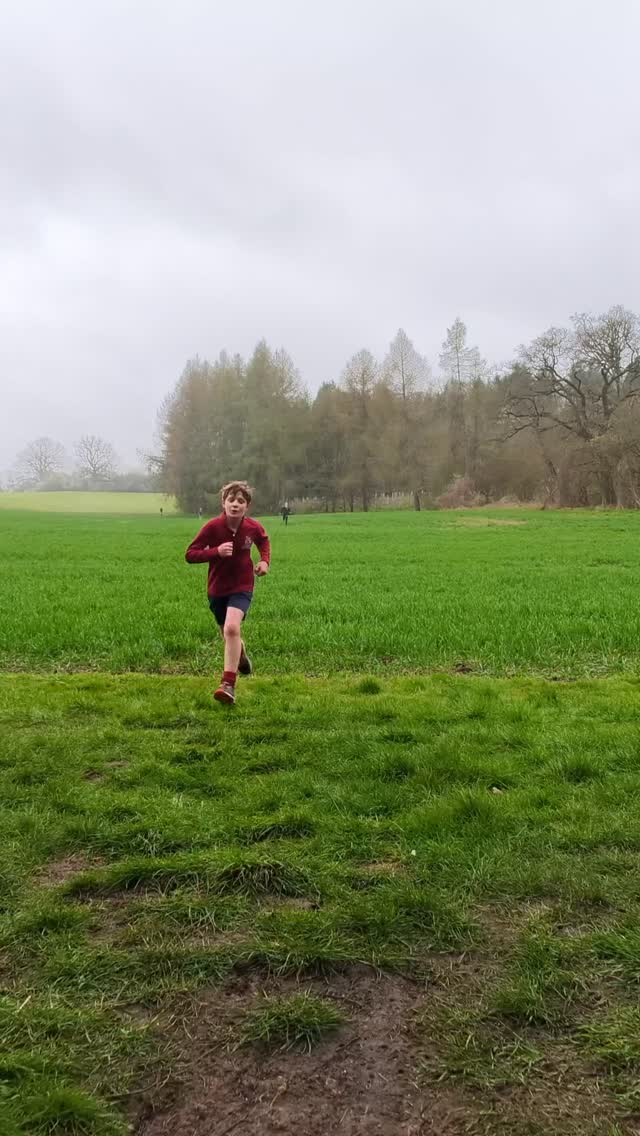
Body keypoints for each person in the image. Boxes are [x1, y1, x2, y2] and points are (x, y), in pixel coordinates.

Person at [185, 481, 270, 705]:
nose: (235, 504)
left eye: (240, 501)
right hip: (217, 590)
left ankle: (228, 684)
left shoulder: (252, 527)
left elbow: (263, 540)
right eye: (231, 500)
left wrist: (264, 561)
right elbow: (190, 554)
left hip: (243, 586)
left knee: (233, 628)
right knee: (228, 636)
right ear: (223, 503)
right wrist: (216, 552)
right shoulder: (212, 527)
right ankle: (241, 658)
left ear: (247, 506)